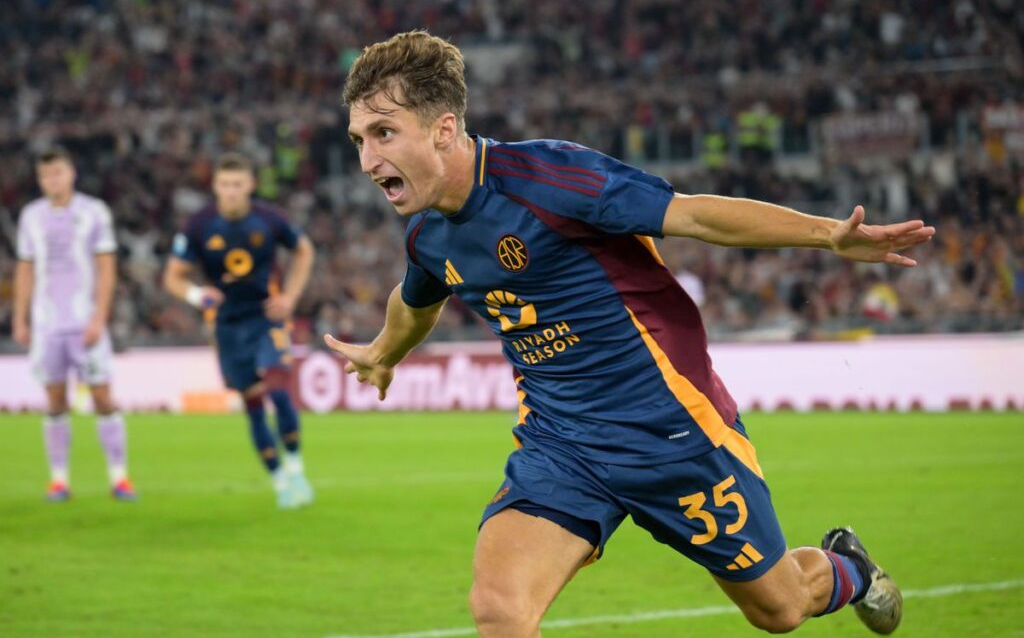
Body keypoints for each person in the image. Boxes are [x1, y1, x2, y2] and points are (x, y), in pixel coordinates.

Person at [327, 31, 935, 636]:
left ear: (443, 129)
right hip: (562, 445)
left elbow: (695, 215)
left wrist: (828, 234)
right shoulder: (428, 235)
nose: (367, 161)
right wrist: (384, 353)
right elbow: (415, 302)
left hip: (673, 432)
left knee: (779, 608)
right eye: (359, 140)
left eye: (384, 133)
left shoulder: (550, 178)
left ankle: (849, 568)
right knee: (500, 608)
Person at [163, 152, 316, 509]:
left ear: (250, 185)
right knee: (253, 403)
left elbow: (304, 251)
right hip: (228, 326)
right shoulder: (199, 225)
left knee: (279, 390)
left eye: (237, 184)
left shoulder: (269, 219)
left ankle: (296, 468)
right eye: (225, 184)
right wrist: (197, 295)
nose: (231, 191)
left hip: (266, 317)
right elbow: (172, 277)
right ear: (215, 187)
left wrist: (290, 297)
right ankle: (280, 482)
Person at [13, 147, 136, 502]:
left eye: (58, 173)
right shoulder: (31, 217)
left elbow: (107, 268)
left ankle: (119, 478)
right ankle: (59, 480)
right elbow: (25, 269)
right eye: (45, 175)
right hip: (47, 324)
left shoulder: (94, 212)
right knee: (54, 400)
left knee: (102, 396)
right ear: (40, 180)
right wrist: (20, 318)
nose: (52, 180)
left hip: (85, 322)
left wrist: (99, 317)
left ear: (71, 174)